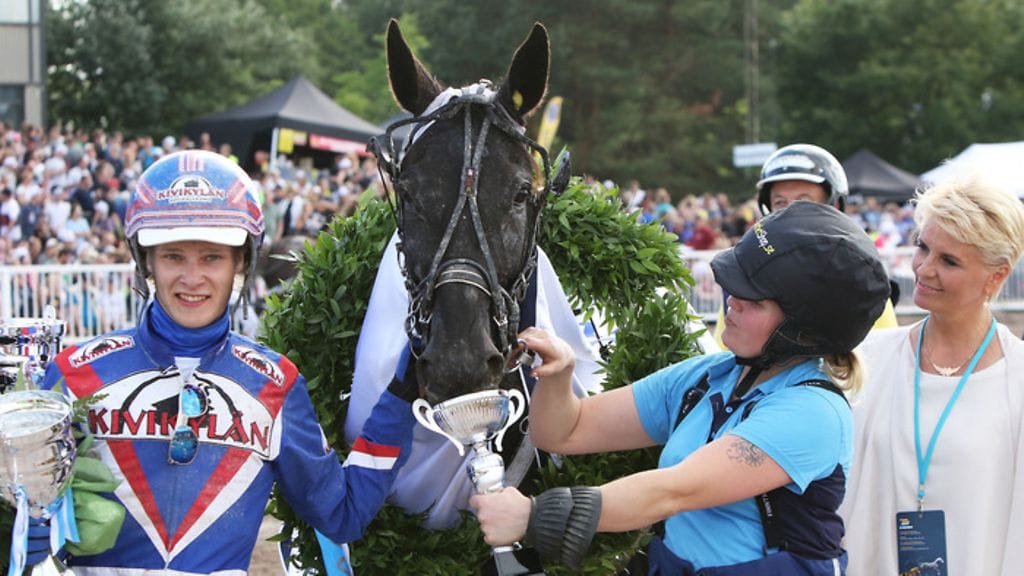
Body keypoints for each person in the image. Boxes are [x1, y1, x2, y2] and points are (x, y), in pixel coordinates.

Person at [36, 150, 419, 574]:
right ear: (146, 261)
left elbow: (342, 514)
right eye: (173, 256)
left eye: (212, 257)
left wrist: (402, 391)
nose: (193, 277)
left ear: (241, 261)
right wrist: (21, 531)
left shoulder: (276, 385)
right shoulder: (74, 374)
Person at [471, 201, 890, 574]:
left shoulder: (812, 411)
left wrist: (534, 514)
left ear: (804, 332)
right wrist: (559, 375)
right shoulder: (708, 377)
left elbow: (672, 491)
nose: (732, 301)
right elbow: (564, 431)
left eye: (755, 301)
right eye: (737, 287)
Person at [839, 172, 1024, 575]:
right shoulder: (867, 360)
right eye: (923, 247)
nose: (923, 269)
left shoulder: (1019, 380)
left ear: (996, 276)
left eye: (949, 260)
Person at [712, 143, 898, 348]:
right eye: (780, 202)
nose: (791, 212)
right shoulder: (741, 282)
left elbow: (882, 365)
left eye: (804, 202)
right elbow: (719, 361)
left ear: (834, 208)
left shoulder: (861, 286)